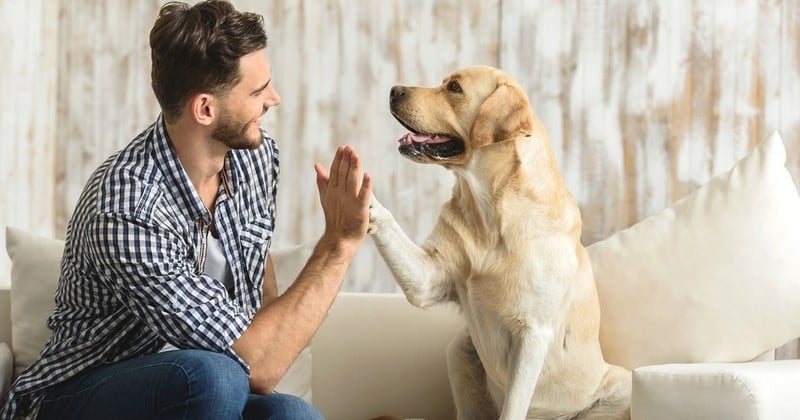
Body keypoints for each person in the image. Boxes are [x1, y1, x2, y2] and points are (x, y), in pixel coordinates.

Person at [1, 1, 372, 419]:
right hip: (81, 394)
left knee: (293, 415)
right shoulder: (126, 206)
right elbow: (260, 366)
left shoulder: (255, 157)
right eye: (257, 91)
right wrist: (339, 242)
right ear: (205, 109)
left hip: (211, 391)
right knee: (212, 377)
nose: (274, 98)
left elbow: (259, 294)